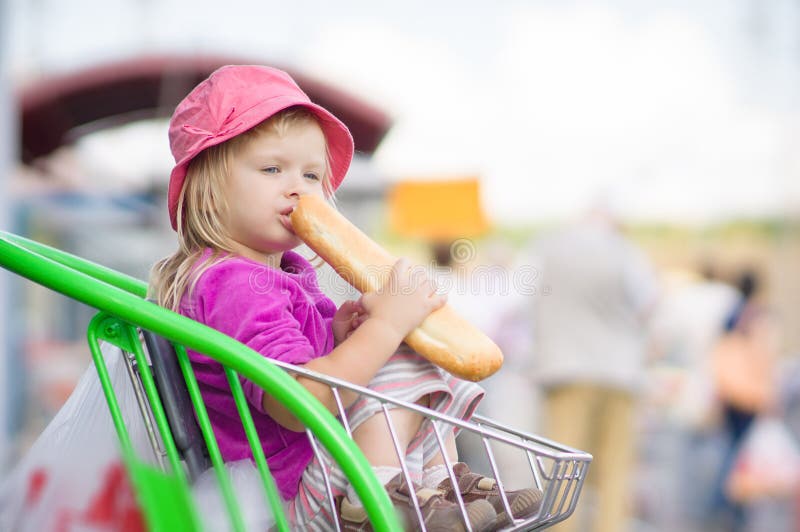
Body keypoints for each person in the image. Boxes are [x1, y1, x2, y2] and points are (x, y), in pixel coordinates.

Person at [149, 65, 541, 531]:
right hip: (289, 497)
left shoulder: (284, 275)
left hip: (317, 470)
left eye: (312, 175)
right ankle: (382, 496)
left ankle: (439, 483)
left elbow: (292, 357)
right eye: (272, 168)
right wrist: (384, 327)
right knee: (397, 355)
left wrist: (339, 334)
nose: (298, 187)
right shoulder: (230, 283)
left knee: (413, 348)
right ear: (207, 187)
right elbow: (299, 403)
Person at [529, 203, 659, 532]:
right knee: (615, 475)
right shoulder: (626, 253)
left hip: (564, 371)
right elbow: (649, 305)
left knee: (563, 472)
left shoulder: (549, 249)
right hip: (619, 373)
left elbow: (524, 301)